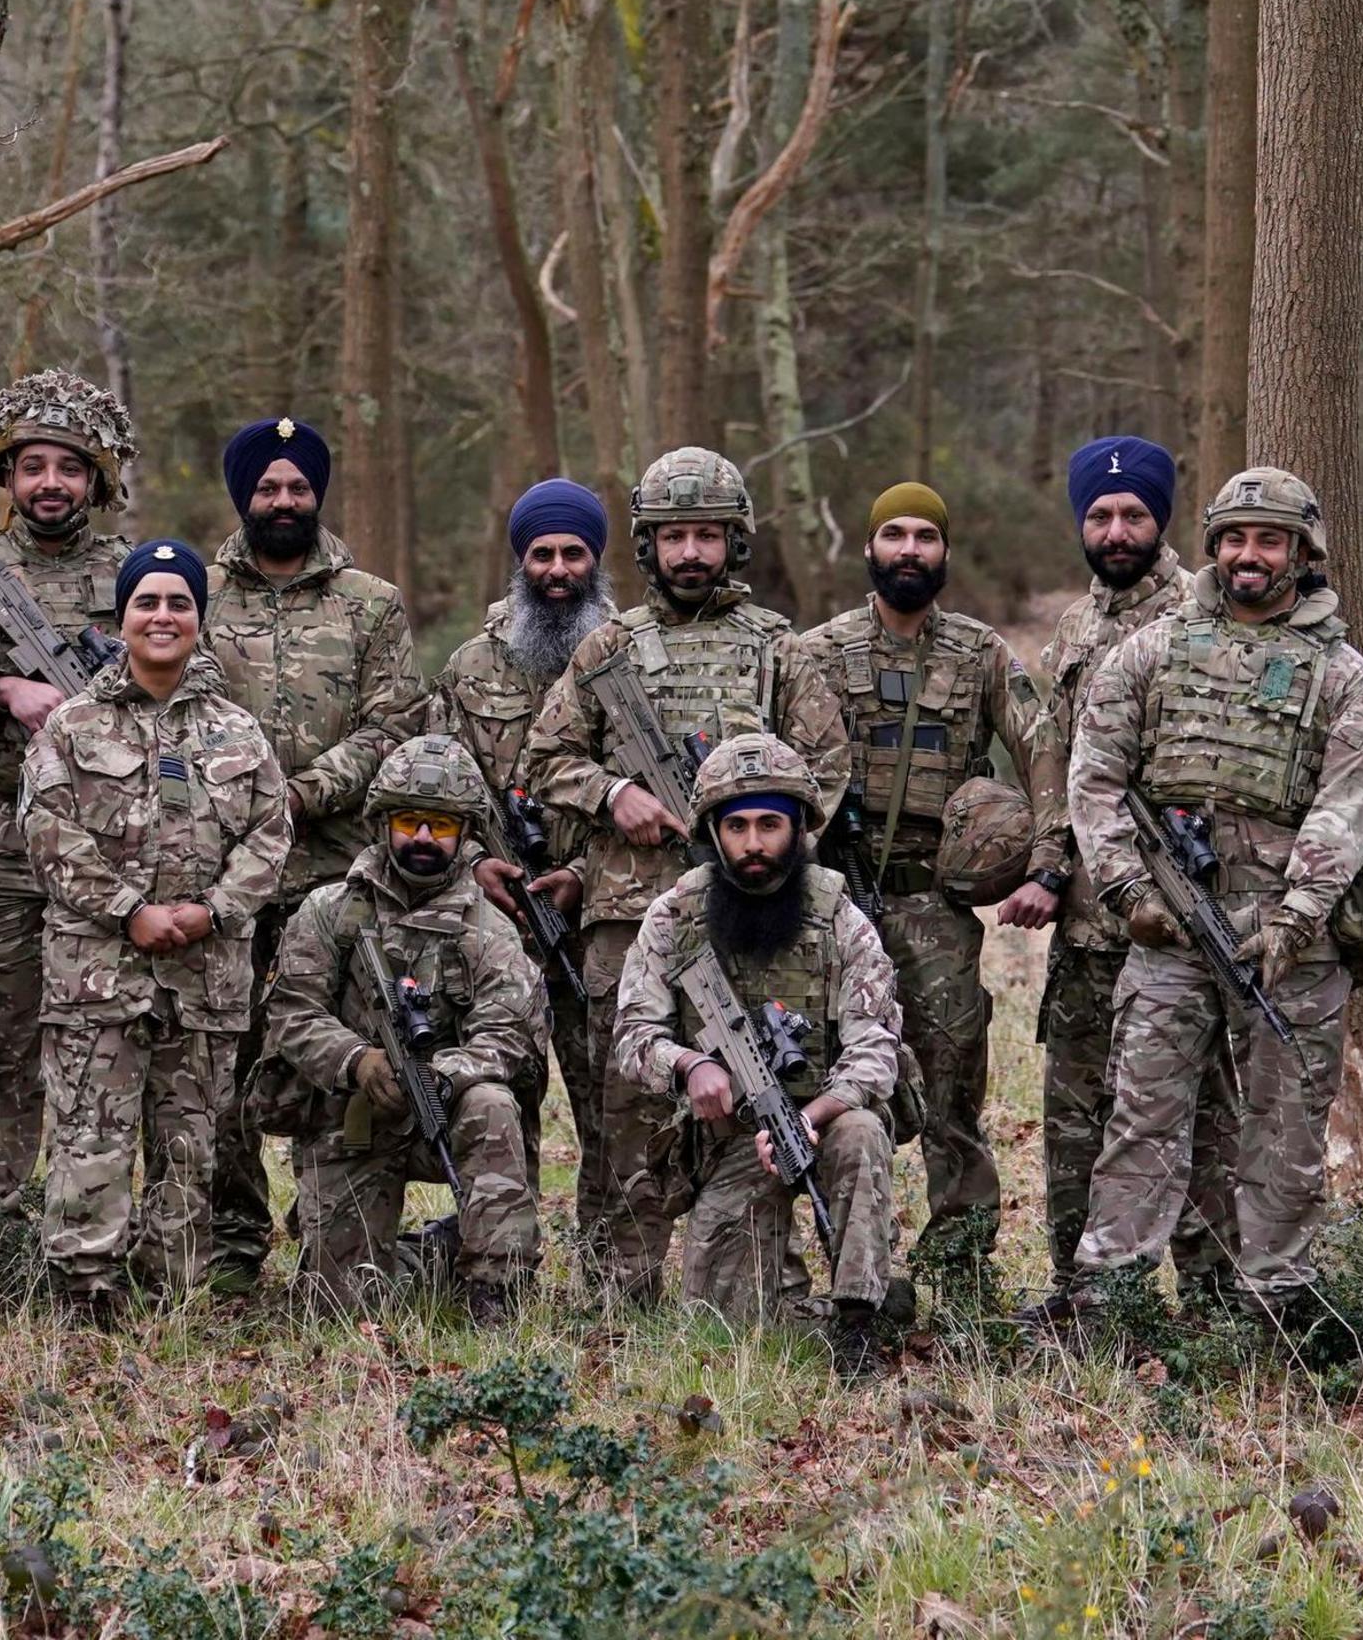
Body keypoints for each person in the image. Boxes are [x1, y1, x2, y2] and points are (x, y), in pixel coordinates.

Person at [1061, 468, 1363, 1344]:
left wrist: (1294, 915)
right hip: (1169, 922)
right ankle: (1113, 1298)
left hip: (1292, 935)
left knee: (1285, 1122)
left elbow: (1349, 804)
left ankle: (1272, 1300)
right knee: (1144, 1114)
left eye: (1270, 540)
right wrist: (1129, 888)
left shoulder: (1345, 675)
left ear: (1302, 551)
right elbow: (1095, 777)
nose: (1250, 556)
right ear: (1214, 546)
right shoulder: (1151, 651)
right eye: (1236, 538)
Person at [522, 446, 849, 1305]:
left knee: (761, 1083)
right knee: (624, 1104)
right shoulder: (605, 651)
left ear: (735, 541)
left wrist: (766, 837)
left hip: (752, 915)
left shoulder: (778, 648)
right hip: (630, 915)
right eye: (675, 537)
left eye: (709, 534)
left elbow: (826, 770)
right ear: (648, 545)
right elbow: (545, 756)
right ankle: (616, 1288)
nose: (692, 553)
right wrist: (613, 792)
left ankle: (762, 1279)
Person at [791, 481, 1066, 1282]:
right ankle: (842, 1262)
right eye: (895, 536)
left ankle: (959, 1268)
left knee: (952, 1088)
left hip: (932, 907)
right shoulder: (814, 654)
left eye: (925, 537)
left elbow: (1041, 749)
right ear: (870, 549)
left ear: (944, 553)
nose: (909, 550)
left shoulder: (980, 654)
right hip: (833, 902)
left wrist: (1049, 859)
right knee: (826, 1081)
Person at [19, 540, 296, 1323]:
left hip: (205, 973)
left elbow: (270, 837)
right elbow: (47, 834)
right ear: (123, 618)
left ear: (200, 620)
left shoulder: (240, 732)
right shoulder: (72, 726)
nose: (163, 616)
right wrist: (129, 911)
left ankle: (170, 1292)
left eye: (179, 603)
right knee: (90, 1135)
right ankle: (86, 1291)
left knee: (190, 1139)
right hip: (98, 973)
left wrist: (211, 910)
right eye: (148, 602)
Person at [198, 416, 420, 1295]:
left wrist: (303, 792)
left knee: (336, 1055)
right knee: (225, 1060)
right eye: (267, 488)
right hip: (221, 872)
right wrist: (244, 802)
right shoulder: (195, 594)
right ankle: (231, 1244)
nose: (283, 502)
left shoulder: (372, 602)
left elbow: (395, 723)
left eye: (298, 487)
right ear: (243, 496)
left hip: (337, 874)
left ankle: (330, 1239)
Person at [0, 370, 140, 1209]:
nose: (51, 483)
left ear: (96, 481)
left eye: (70, 467)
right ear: (7, 475)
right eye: (34, 465)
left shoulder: (137, 577)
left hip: (111, 842)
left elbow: (195, 671)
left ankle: (93, 1220)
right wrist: (1, 692)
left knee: (105, 1040)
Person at [610, 734, 903, 1377]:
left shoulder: (839, 917)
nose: (752, 845)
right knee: (722, 1331)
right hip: (729, 1138)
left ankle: (857, 1322)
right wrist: (690, 1065)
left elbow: (877, 1049)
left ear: (798, 829)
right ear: (712, 833)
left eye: (770, 824)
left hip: (820, 1122)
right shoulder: (675, 916)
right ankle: (794, 1290)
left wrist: (816, 1114)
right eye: (736, 826)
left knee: (862, 1133)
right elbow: (632, 1035)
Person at [1023, 436, 1232, 1304]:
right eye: (1100, 516)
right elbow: (1053, 757)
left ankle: (1217, 1291)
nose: (1116, 531)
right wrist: (1044, 864)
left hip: (1180, 918)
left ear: (1162, 522)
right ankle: (1084, 1291)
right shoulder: (1075, 625)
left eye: (1133, 514)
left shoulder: (1202, 613)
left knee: (1195, 1111)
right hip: (1086, 918)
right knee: (1075, 1111)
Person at [251, 734, 544, 1319]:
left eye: (441, 825)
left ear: (465, 834)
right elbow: (291, 1011)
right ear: (383, 823)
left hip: (449, 1111)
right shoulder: (329, 910)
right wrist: (357, 1061)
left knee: (492, 1103)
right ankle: (428, 1256)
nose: (424, 838)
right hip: (352, 1115)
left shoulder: (489, 930)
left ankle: (494, 1287)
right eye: (410, 821)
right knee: (338, 1306)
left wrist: (445, 1075)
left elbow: (508, 1035)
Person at [422, 478, 607, 1183]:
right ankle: (506, 1255)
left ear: (596, 561)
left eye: (573, 554)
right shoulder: (470, 667)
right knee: (500, 1095)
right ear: (520, 563)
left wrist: (585, 876)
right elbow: (436, 786)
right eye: (541, 555)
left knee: (608, 1098)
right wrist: (473, 863)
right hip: (493, 920)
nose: (557, 570)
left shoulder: (625, 660)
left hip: (595, 915)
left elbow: (647, 793)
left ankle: (616, 1269)